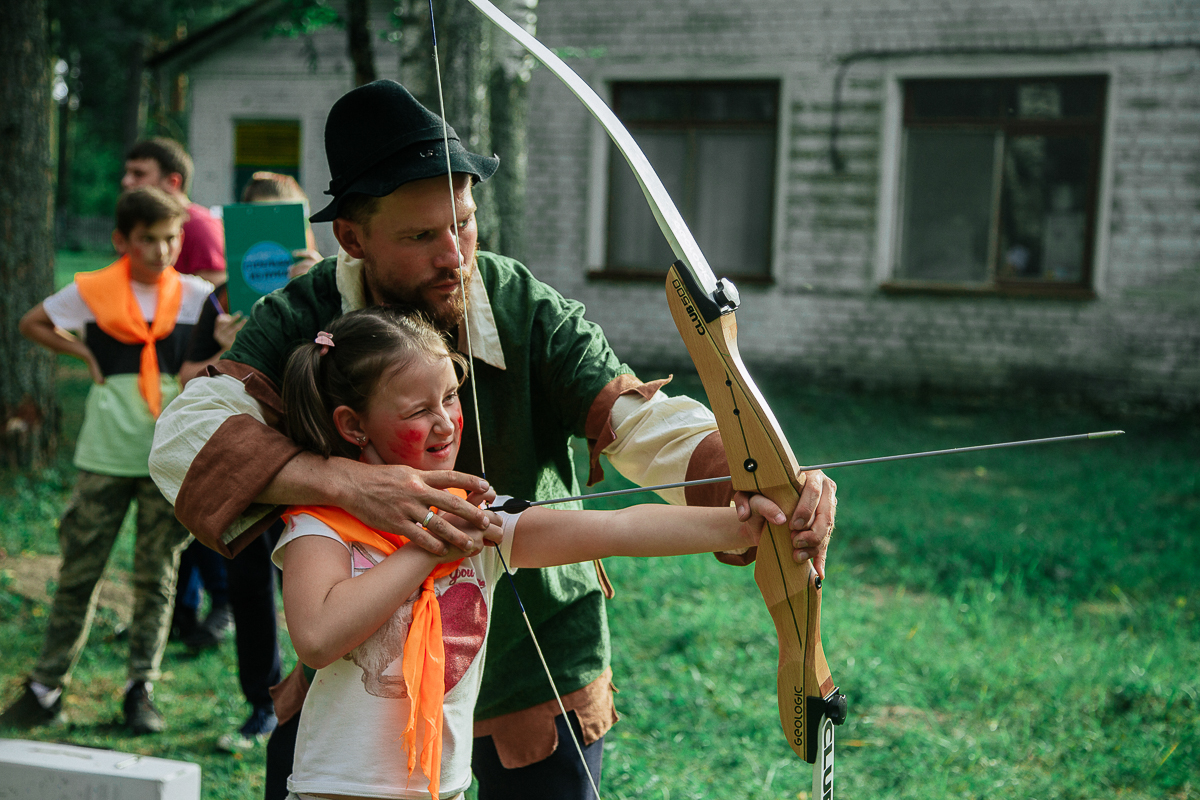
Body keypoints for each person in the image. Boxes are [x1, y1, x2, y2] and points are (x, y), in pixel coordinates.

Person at [148, 80, 836, 798]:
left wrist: (760, 480)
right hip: (365, 693)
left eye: (465, 224)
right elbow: (182, 439)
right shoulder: (306, 317)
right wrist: (349, 485)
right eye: (421, 236)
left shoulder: (520, 304)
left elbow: (640, 426)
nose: (454, 255)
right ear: (353, 237)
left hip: (535, 657)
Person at [273, 306, 780, 800]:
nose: (446, 423)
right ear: (353, 425)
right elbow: (317, 638)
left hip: (443, 789)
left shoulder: (477, 517)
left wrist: (749, 525)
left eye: (451, 397)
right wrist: (429, 549)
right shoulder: (322, 524)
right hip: (337, 791)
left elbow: (618, 529)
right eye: (418, 411)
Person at [0, 187, 213, 734]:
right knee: (79, 571)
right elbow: (33, 323)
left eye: (171, 238)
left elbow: (213, 355)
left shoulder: (196, 296)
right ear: (122, 240)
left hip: (167, 453)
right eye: (148, 239)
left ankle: (140, 687)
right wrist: (86, 351)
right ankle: (46, 688)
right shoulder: (92, 292)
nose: (162, 250)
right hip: (104, 452)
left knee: (157, 576)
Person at [122, 137, 226, 286]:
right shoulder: (136, 221)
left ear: (173, 182)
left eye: (139, 174)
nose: (126, 181)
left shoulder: (200, 225)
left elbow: (216, 299)